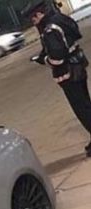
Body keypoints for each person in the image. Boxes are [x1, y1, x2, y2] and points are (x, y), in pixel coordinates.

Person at [24, 0, 91, 155]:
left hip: (68, 74)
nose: (33, 22)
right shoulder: (59, 19)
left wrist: (45, 60)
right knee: (86, 104)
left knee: (82, 110)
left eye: (33, 18)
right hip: (79, 66)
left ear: (40, 14)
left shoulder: (49, 29)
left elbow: (57, 56)